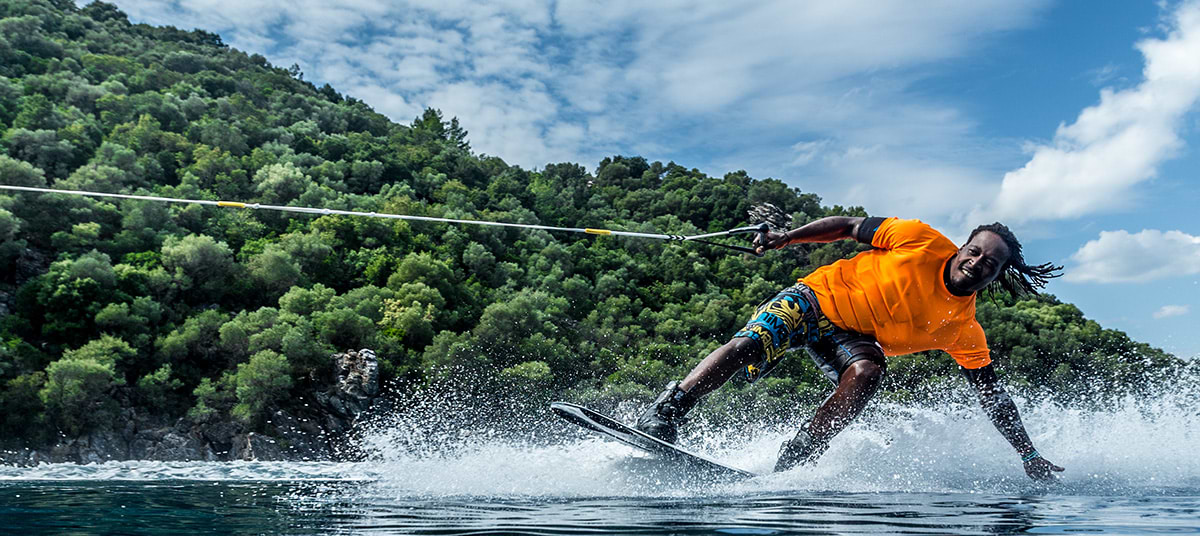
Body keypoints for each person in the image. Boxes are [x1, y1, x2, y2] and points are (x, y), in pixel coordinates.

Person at [635, 216, 1066, 480]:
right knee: (754, 340)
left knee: (868, 373)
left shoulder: (964, 331)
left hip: (851, 336)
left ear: (997, 277)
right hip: (814, 298)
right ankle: (668, 410)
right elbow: (846, 226)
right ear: (961, 248)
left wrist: (1028, 454)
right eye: (974, 253)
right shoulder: (918, 240)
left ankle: (797, 456)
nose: (976, 263)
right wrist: (788, 238)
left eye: (989, 264)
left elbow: (991, 396)